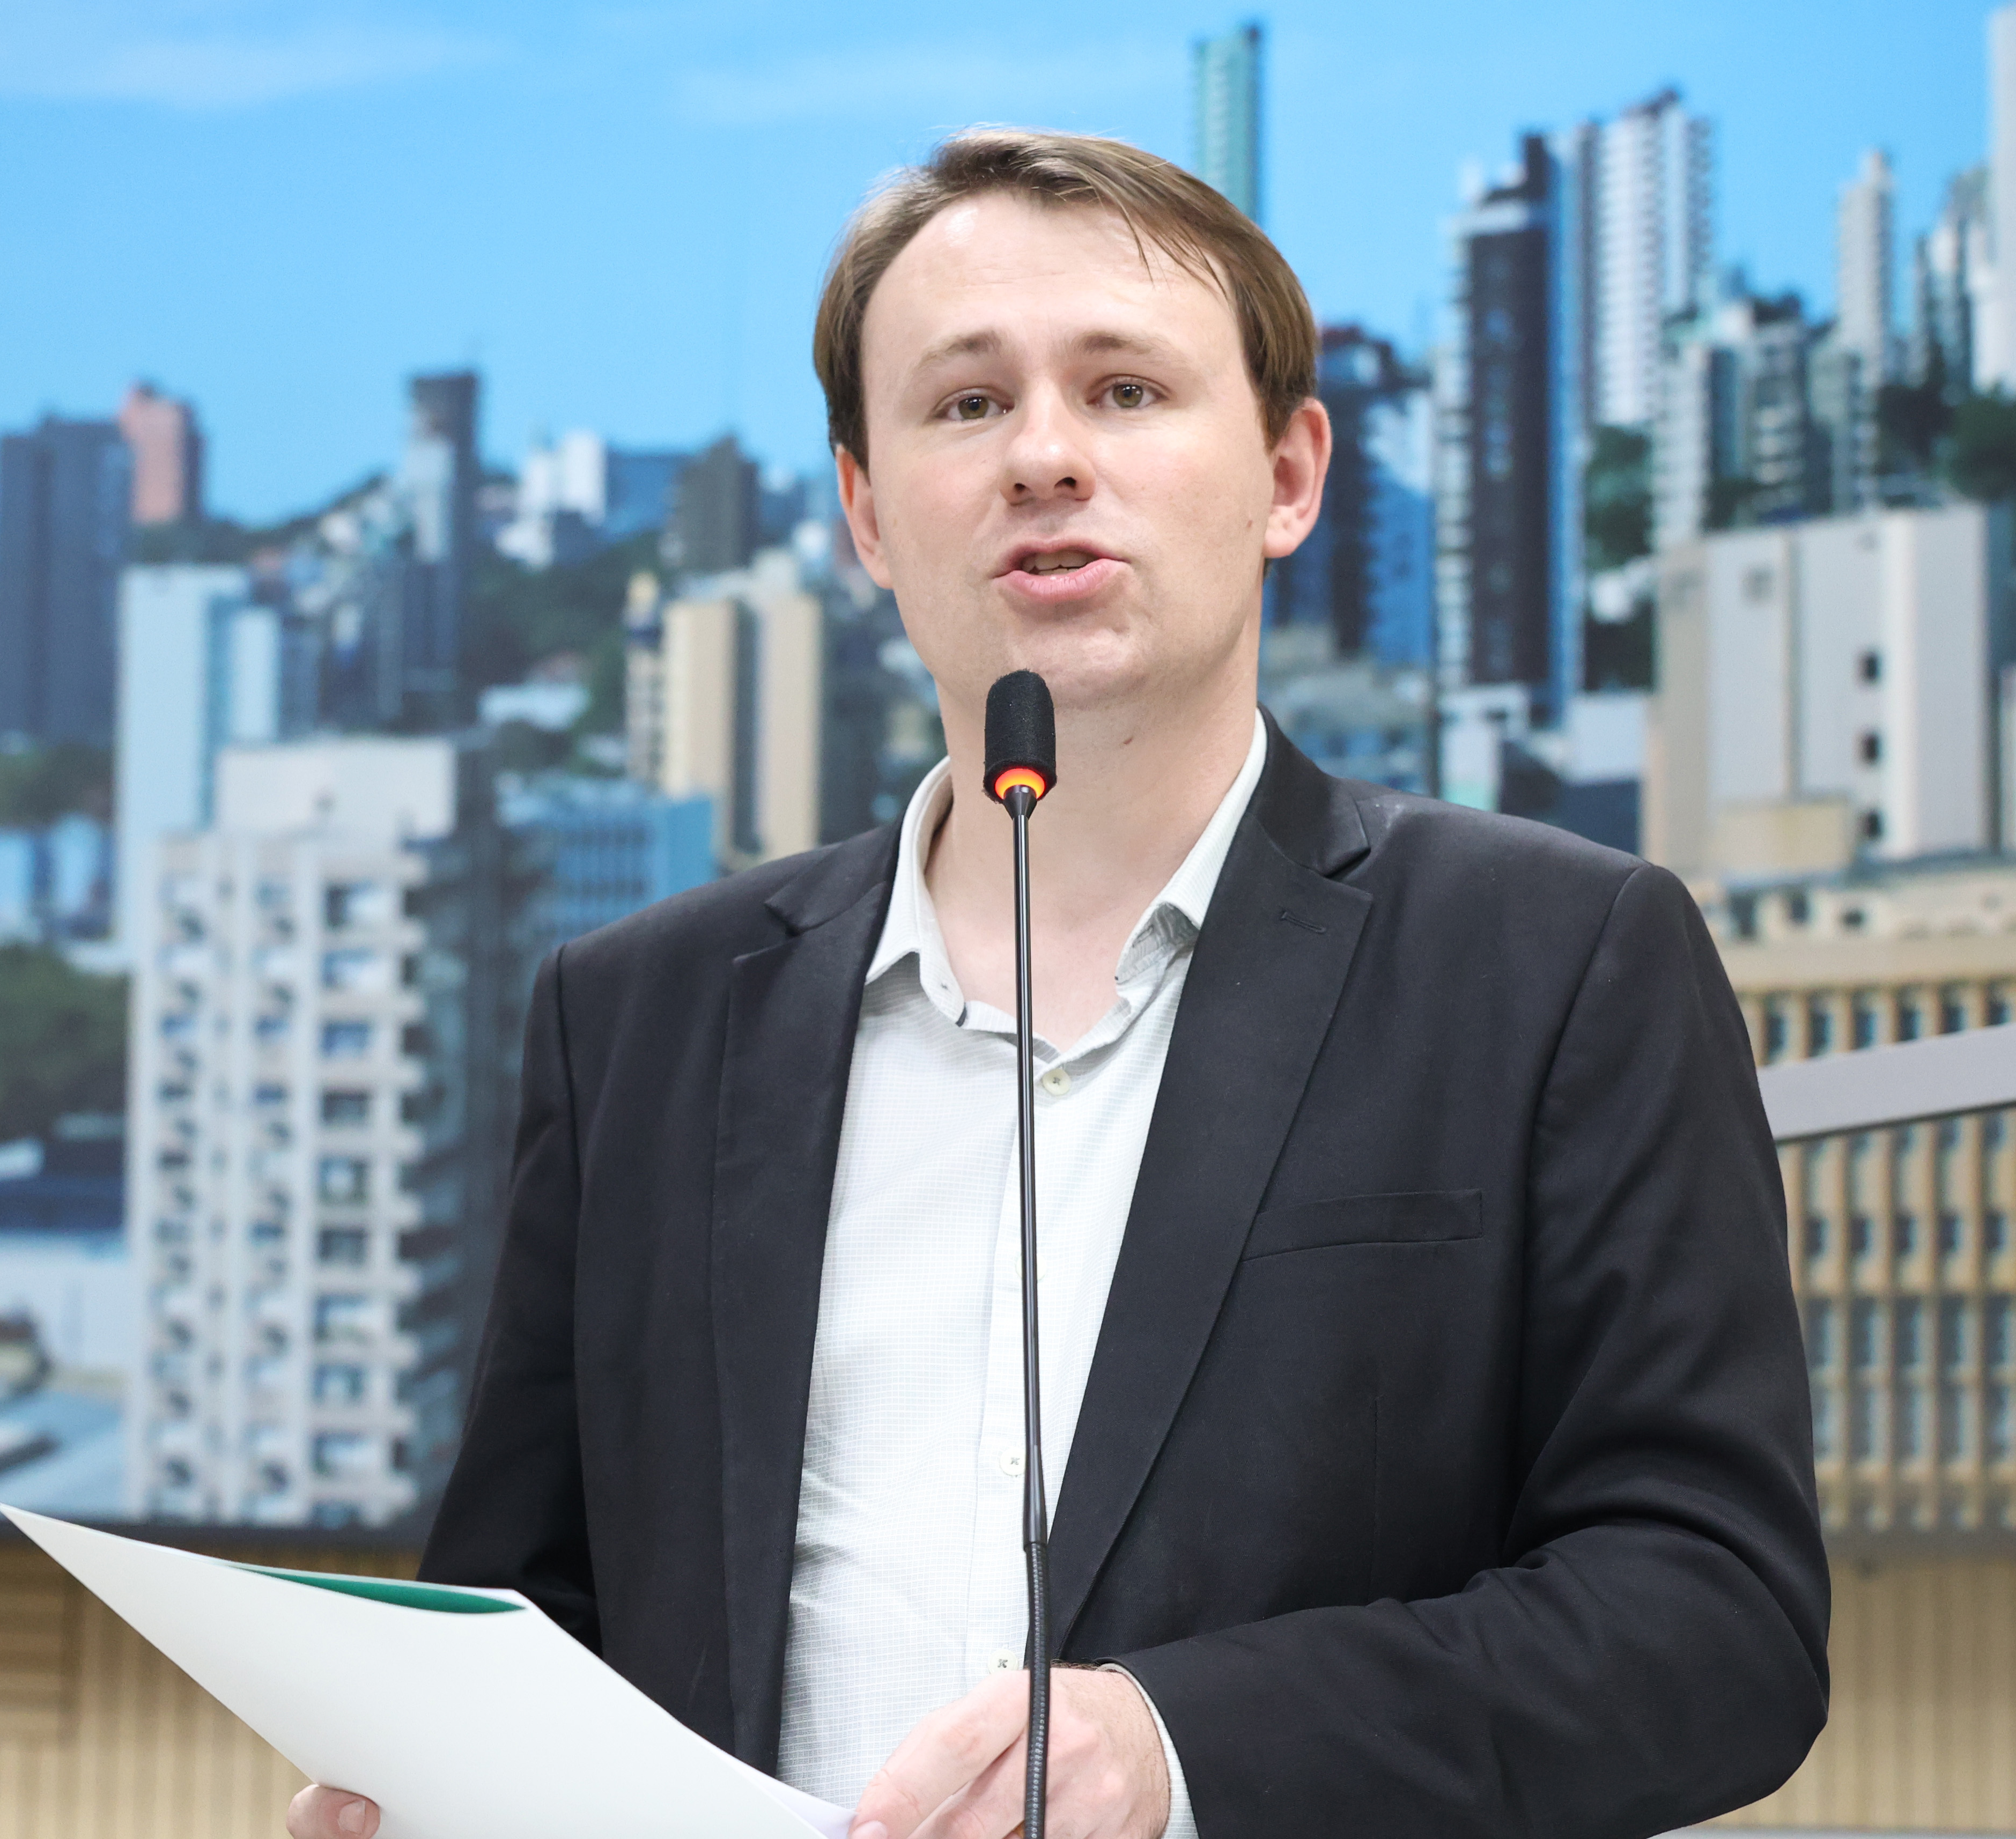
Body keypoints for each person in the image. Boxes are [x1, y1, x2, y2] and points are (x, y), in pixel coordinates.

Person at [290, 127, 1826, 1839]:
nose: (1042, 457)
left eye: (1125, 391)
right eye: (966, 405)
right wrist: (440, 1780)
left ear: (1290, 474)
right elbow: (535, 1617)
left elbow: (1718, 1623)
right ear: (868, 514)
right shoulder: (640, 1017)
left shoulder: (1556, 961)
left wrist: (1180, 1750)